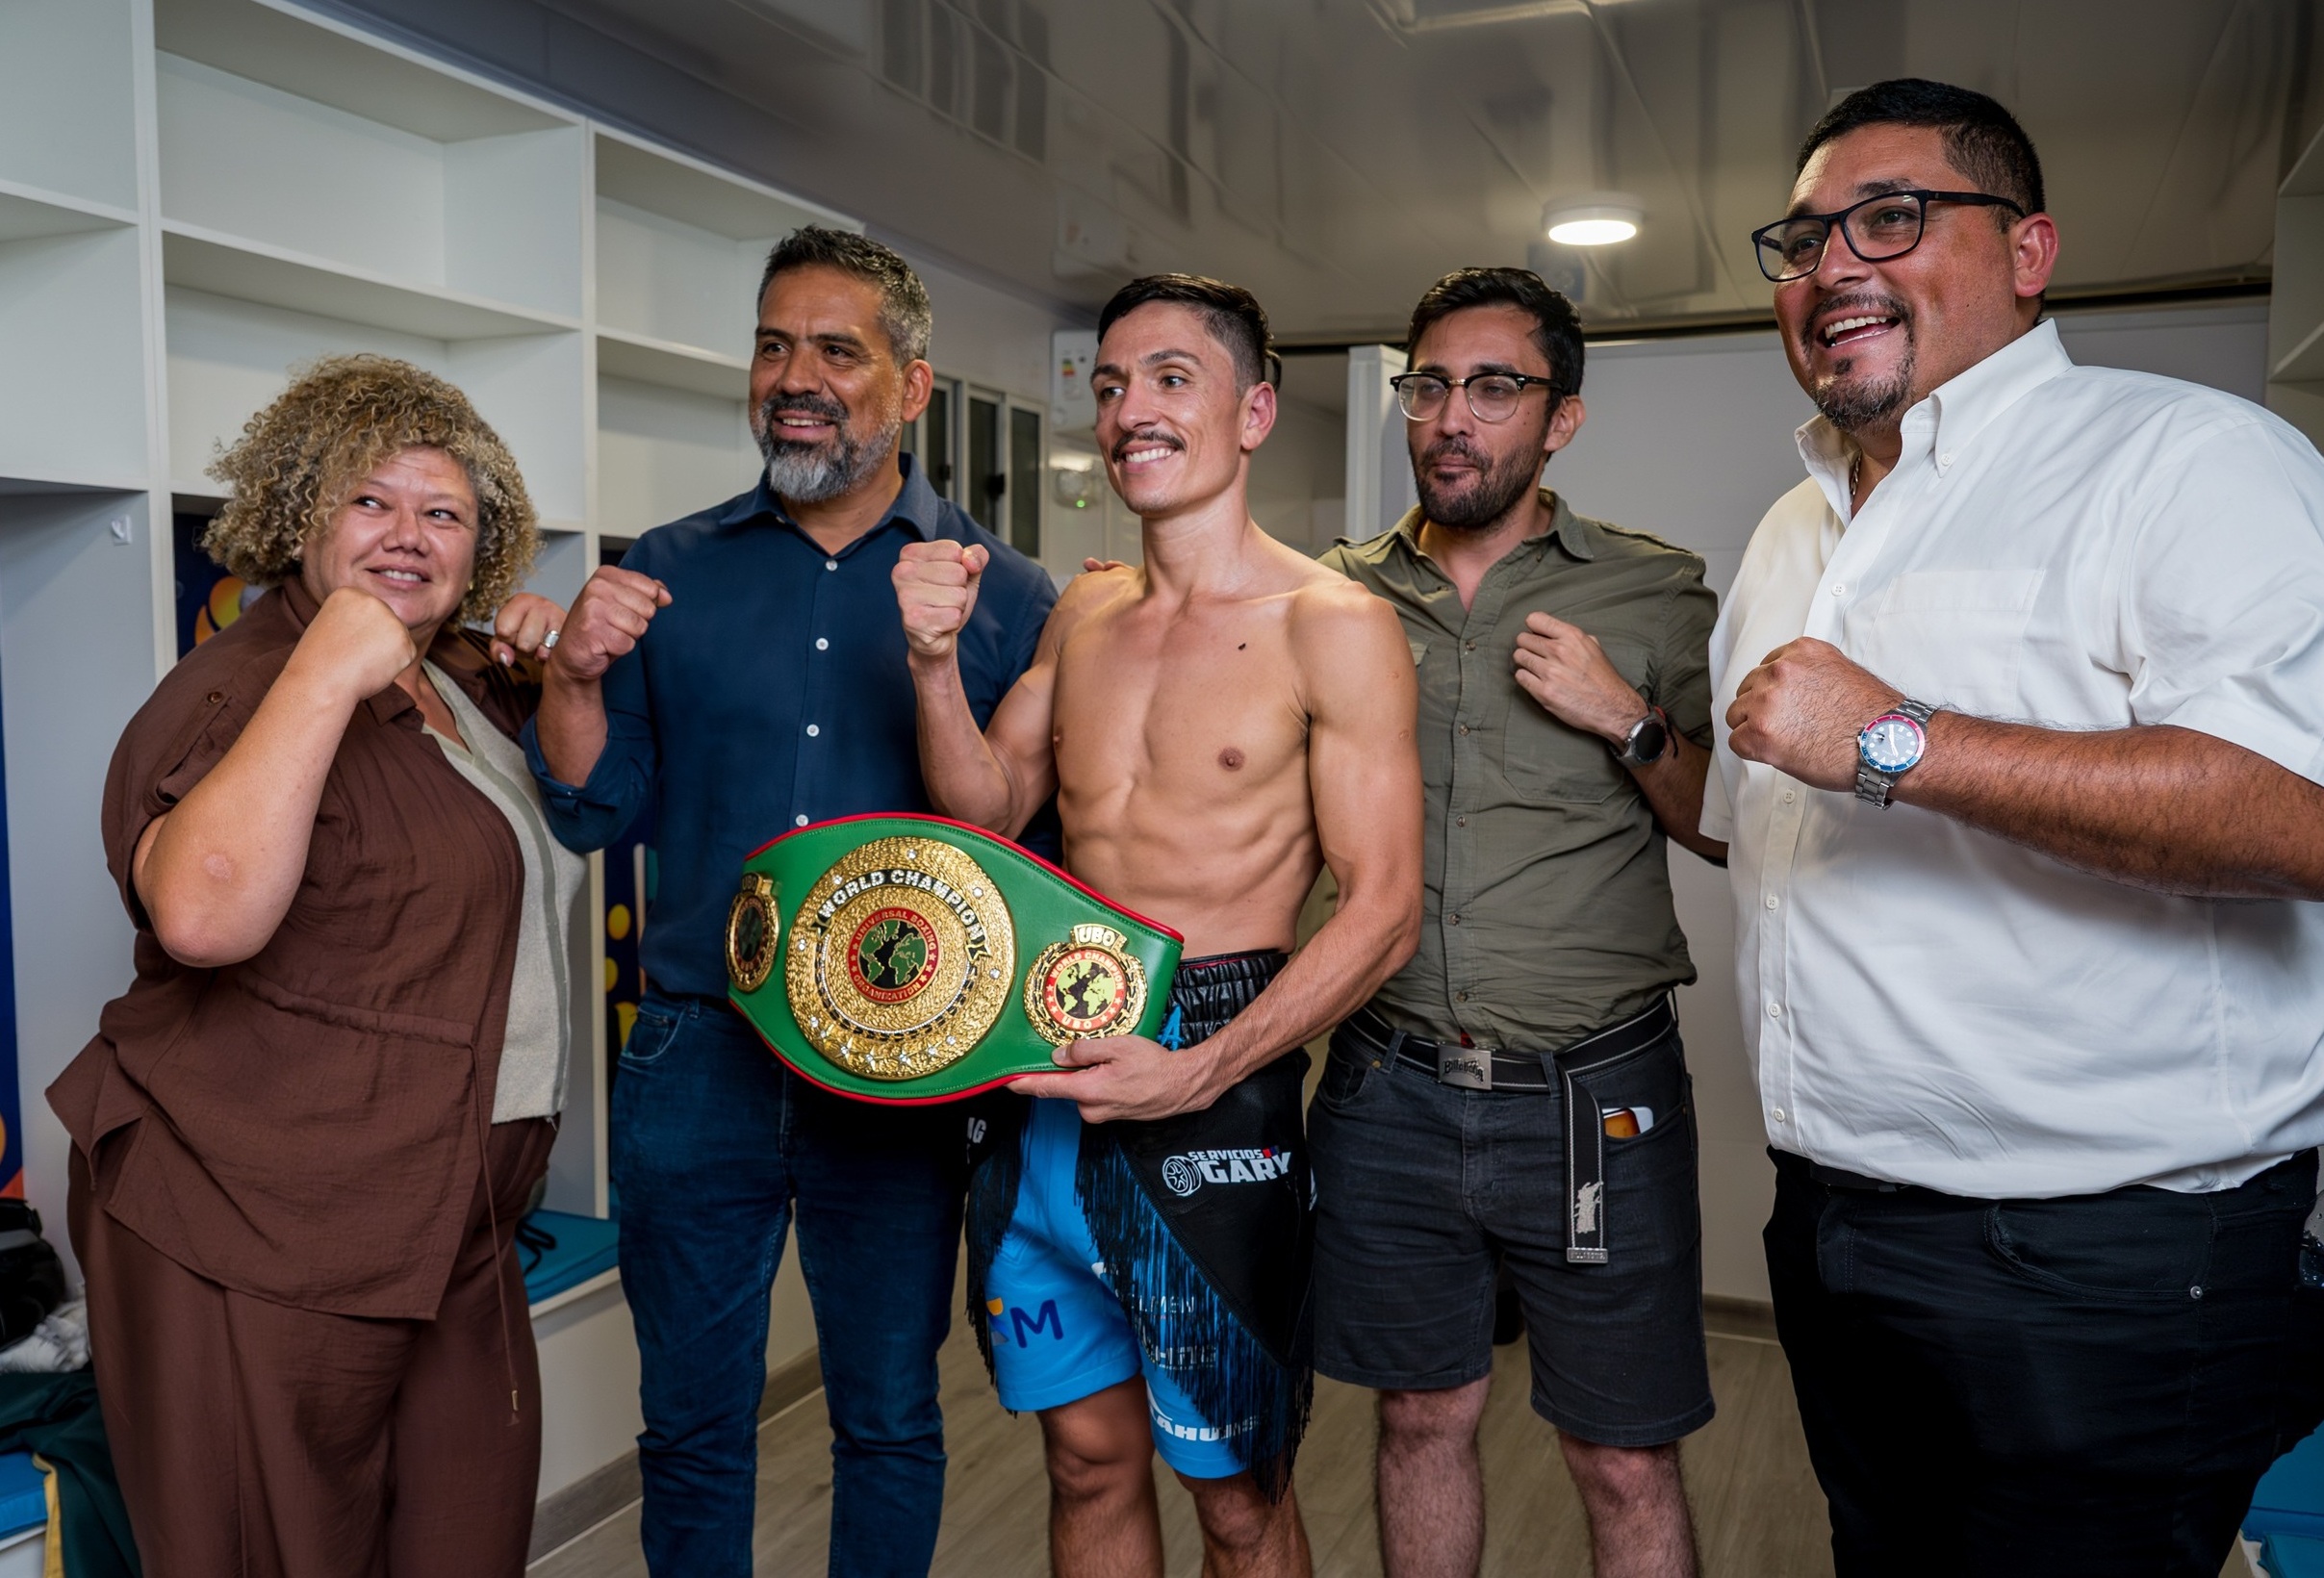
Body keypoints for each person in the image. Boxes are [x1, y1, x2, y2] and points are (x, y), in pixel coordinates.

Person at [1707, 78, 2324, 1577]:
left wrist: (1895, 742)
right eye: (1801, 240)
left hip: (2101, 1250)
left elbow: (2294, 820)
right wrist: (1630, 732)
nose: (1830, 266)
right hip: (1834, 1216)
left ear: (2027, 251)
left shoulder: (2185, 458)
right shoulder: (1792, 526)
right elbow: (1763, 834)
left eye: (1889, 219)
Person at [526, 227, 1057, 1578]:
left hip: (897, 1066)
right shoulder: (671, 566)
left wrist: (936, 660)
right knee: (691, 1424)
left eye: (836, 349)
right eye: (773, 346)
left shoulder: (1005, 594)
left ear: (911, 385)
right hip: (698, 1048)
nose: (795, 377)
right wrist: (573, 677)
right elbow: (589, 811)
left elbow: (1008, 843)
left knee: (885, 1419)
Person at [894, 273, 1423, 1578]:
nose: (1131, 408)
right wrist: (930, 663)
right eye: (1112, 383)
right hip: (1040, 1054)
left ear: (1254, 413)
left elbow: (1383, 910)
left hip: (1213, 1068)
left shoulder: (1333, 626)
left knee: (1236, 1499)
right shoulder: (1083, 613)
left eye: (1172, 379)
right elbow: (987, 808)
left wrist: (1197, 1069)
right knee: (1083, 1463)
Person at [49, 354, 575, 1577]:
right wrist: (327, 669)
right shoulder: (239, 686)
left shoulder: (456, 677)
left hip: (449, 1224)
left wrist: (558, 668)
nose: (408, 534)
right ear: (299, 515)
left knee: (465, 1540)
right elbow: (200, 915)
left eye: (444, 512)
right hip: (259, 1222)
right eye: (369, 500)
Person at [1312, 267, 1724, 1578]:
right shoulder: (1330, 596)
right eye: (1428, 385)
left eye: (1494, 388)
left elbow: (1726, 824)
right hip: (1388, 1084)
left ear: (1562, 420)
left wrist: (1626, 718)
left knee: (1622, 1455)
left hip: (1593, 1095)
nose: (1451, 417)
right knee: (1419, 1418)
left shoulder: (1654, 591)